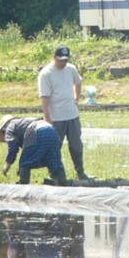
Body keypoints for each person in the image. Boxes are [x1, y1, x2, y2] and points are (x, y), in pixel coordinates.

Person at [38, 45, 91, 180]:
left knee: (76, 145)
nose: (63, 63)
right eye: (61, 60)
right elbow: (44, 97)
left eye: (66, 60)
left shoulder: (71, 69)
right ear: (54, 57)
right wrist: (47, 117)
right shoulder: (46, 73)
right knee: (55, 147)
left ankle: (81, 172)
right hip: (56, 116)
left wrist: (76, 97)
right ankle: (55, 175)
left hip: (72, 114)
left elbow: (78, 82)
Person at [0, 115, 67, 185]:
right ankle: (63, 182)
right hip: (52, 131)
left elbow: (13, 148)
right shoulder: (23, 121)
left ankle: (24, 184)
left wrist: (7, 165)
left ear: (4, 130)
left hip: (37, 132)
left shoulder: (9, 128)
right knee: (53, 160)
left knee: (25, 163)